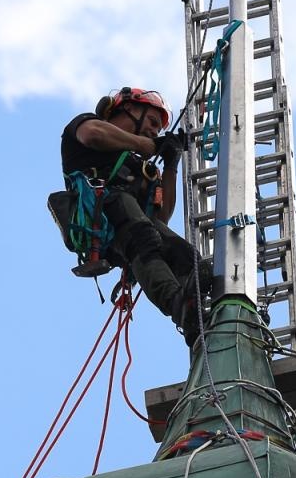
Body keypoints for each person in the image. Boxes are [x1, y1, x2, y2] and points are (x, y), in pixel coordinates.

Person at [59, 87, 203, 339]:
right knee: (142, 234)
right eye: (151, 122)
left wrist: (171, 163)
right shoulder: (86, 125)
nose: (154, 131)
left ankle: (201, 302)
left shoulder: (142, 167)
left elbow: (161, 218)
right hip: (105, 215)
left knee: (182, 253)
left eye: (158, 129)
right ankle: (178, 304)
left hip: (134, 225)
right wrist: (148, 145)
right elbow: (93, 134)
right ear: (129, 109)